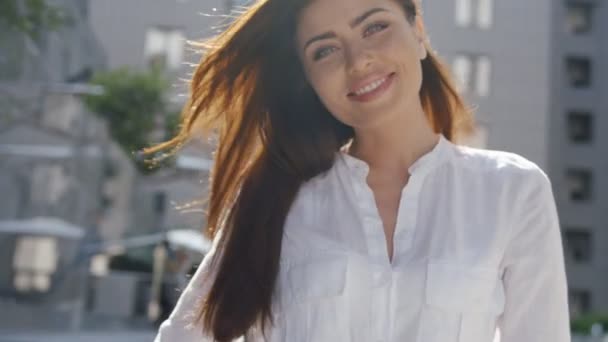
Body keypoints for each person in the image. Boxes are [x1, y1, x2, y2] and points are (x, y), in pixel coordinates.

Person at [152, 0, 571, 340]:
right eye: (325, 50)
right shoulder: (272, 199)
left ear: (419, 31)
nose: (358, 61)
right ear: (309, 79)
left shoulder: (512, 190)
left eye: (374, 27)